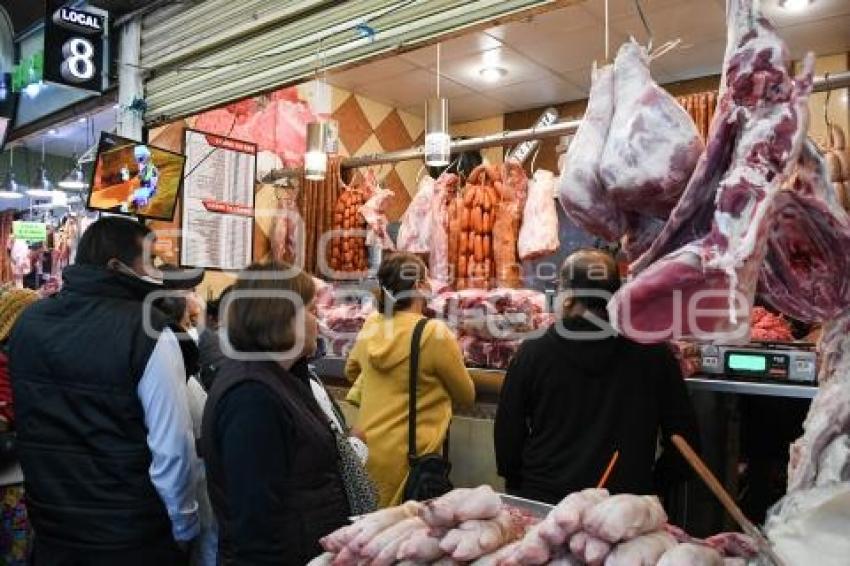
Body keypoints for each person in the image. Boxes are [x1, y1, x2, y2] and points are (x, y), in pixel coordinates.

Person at [9, 217, 200, 565]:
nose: (157, 273)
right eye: (150, 262)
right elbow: (172, 448)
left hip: (53, 529)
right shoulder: (149, 331)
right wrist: (184, 525)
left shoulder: (28, 322)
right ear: (118, 266)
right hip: (131, 539)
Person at [494, 249, 700, 504]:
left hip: (547, 505)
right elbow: (685, 443)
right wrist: (648, 488)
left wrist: (520, 488)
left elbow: (508, 435)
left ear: (566, 295)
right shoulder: (654, 353)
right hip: (620, 511)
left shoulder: (534, 352)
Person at [201, 262, 349, 565]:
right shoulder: (251, 396)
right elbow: (255, 521)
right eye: (310, 309)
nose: (317, 319)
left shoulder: (281, 377)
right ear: (281, 315)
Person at [345, 252, 475, 507]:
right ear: (417, 287)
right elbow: (466, 396)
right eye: (426, 280)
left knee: (368, 536)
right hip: (410, 460)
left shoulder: (372, 323)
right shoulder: (433, 333)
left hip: (367, 449)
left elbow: (351, 371)